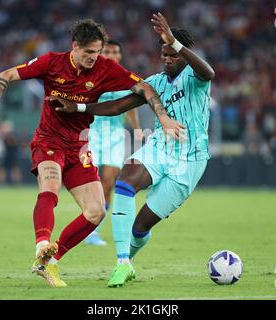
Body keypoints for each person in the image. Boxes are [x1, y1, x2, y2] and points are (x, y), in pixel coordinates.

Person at [0, 19, 184, 287]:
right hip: (48, 140)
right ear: (74, 47)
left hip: (79, 146)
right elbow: (6, 75)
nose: (93, 57)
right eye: (88, 52)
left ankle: (49, 262)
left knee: (96, 211)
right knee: (50, 186)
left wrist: (163, 117)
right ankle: (42, 243)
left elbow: (145, 89)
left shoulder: (106, 68)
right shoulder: (51, 62)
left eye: (97, 52)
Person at [51, 13, 215, 287]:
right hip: (160, 148)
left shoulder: (196, 77)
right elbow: (118, 106)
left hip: (191, 161)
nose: (167, 59)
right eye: (163, 54)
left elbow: (210, 72)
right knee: (125, 183)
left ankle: (130, 261)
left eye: (172, 54)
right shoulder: (156, 82)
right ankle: (122, 261)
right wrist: (79, 107)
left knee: (140, 228)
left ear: (183, 54)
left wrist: (175, 42)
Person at [85, 39, 143, 246]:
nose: (110, 54)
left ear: (120, 55)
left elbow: (132, 106)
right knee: (90, 182)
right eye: (106, 51)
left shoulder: (125, 78)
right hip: (91, 133)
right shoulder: (90, 74)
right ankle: (87, 222)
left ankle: (93, 230)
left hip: (115, 136)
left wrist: (137, 129)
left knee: (108, 182)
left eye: (114, 51)